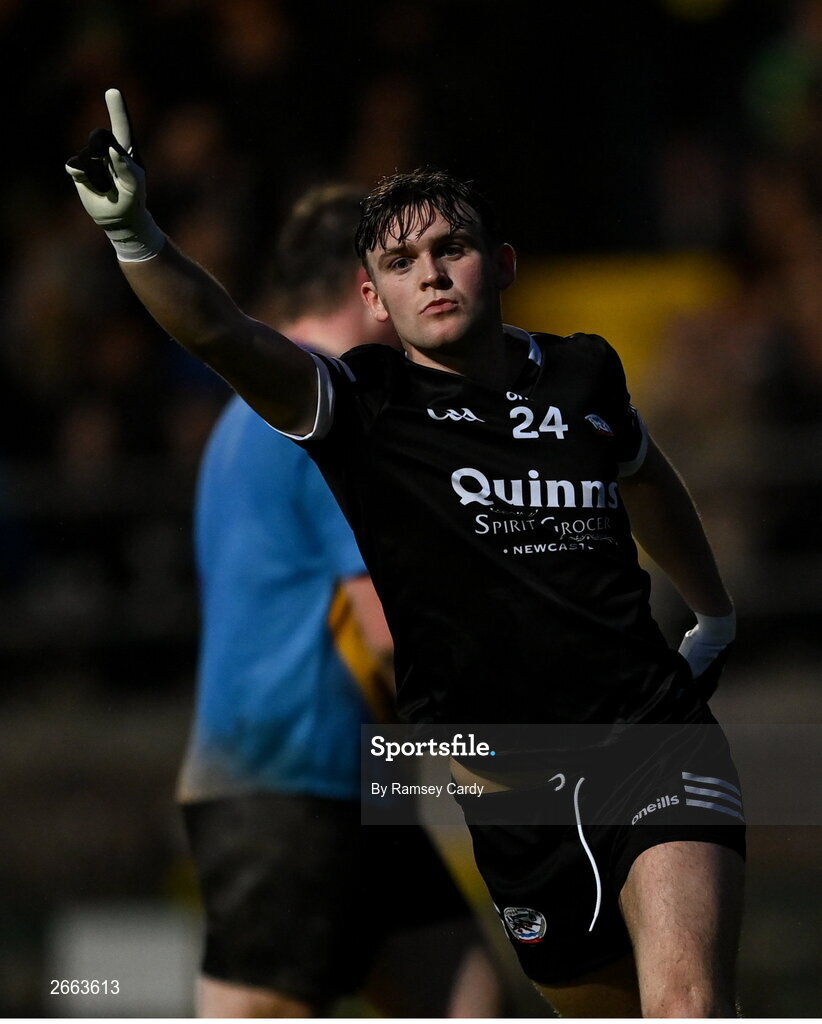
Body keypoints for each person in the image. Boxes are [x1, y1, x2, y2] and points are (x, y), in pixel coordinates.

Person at [67, 90, 745, 1018]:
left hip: (652, 744)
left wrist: (712, 611)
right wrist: (135, 234)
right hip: (510, 799)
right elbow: (220, 333)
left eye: (450, 248)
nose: (429, 274)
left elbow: (646, 474)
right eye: (399, 262)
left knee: (686, 1006)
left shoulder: (583, 371)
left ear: (501, 264)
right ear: (372, 298)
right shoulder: (363, 409)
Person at [167, 183, 506, 1018]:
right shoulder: (326, 409)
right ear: (368, 288)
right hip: (292, 786)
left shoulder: (252, 411)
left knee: (463, 996)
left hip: (320, 783)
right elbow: (389, 629)